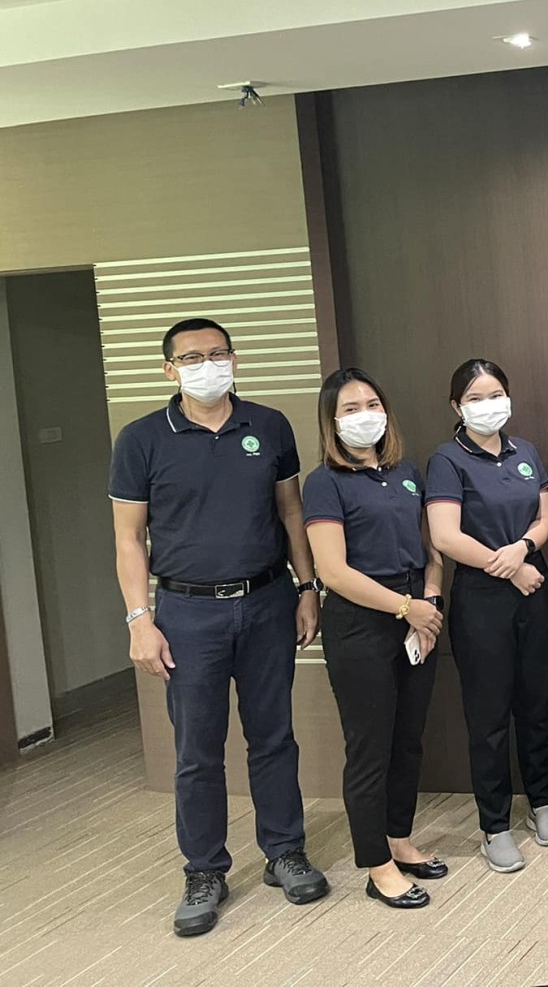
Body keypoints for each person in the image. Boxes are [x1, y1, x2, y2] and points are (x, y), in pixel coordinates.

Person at [110, 317, 329, 937]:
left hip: (267, 600)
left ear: (234, 359)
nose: (208, 365)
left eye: (218, 353)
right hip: (186, 613)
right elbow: (128, 539)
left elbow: (291, 512)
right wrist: (139, 620)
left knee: (274, 735)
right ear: (169, 370)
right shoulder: (141, 439)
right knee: (197, 750)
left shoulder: (269, 425)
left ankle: (284, 852)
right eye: (192, 357)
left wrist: (307, 588)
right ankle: (204, 869)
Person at [303, 368, 446, 910]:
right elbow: (334, 572)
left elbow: (430, 551)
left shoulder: (406, 472)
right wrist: (407, 608)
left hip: (416, 614)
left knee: (408, 739)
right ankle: (376, 865)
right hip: (361, 622)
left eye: (372, 404)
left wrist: (429, 603)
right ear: (332, 421)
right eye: (350, 409)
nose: (365, 415)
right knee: (370, 748)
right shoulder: (325, 482)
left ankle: (399, 839)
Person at [425, 359, 548, 874]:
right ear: (457, 407)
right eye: (476, 398)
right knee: (488, 717)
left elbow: (546, 515)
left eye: (496, 394)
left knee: (537, 702)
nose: (489, 406)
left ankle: (541, 801)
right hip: (483, 595)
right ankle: (495, 825)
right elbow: (444, 535)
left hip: (533, 585)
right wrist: (507, 567)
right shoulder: (447, 459)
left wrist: (524, 549)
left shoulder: (524, 451)